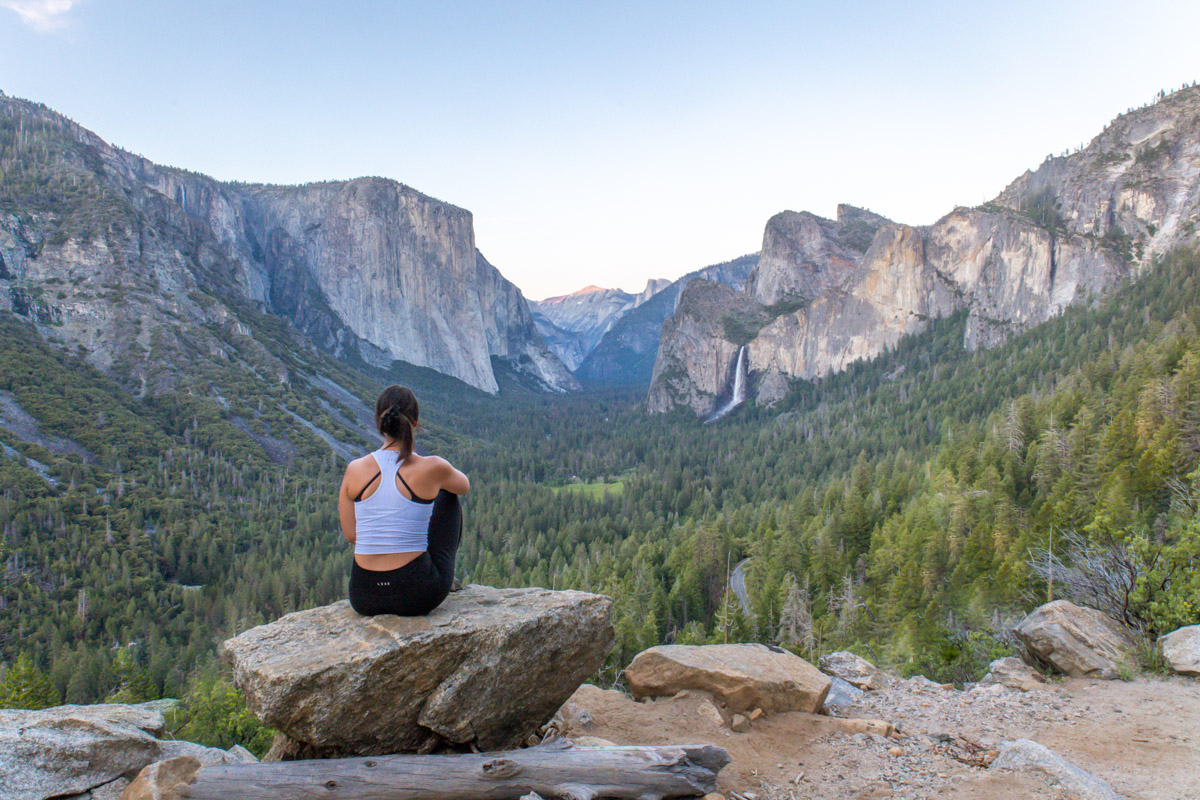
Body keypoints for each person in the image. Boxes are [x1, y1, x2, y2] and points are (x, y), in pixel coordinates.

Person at [339, 385, 470, 616]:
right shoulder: (432, 467)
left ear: (380, 425)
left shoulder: (354, 469)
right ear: (415, 423)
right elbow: (464, 485)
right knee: (448, 495)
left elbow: (351, 535)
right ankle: (441, 574)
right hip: (416, 594)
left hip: (363, 596)